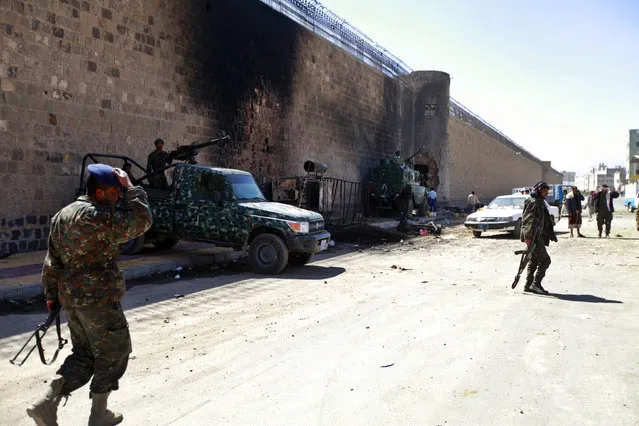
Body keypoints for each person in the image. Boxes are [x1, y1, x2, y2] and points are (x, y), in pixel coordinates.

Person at [27, 164, 152, 426]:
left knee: (84, 355)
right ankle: (99, 415)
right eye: (114, 192)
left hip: (70, 297)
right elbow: (142, 221)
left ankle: (46, 402)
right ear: (99, 193)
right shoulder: (97, 216)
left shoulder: (63, 215)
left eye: (120, 192)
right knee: (114, 352)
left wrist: (51, 295)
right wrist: (132, 189)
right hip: (99, 298)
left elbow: (52, 259)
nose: (118, 196)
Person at [520, 181, 558, 295]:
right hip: (533, 237)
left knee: (534, 260)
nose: (546, 193)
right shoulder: (534, 202)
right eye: (544, 190)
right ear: (538, 190)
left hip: (538, 236)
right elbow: (527, 221)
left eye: (547, 191)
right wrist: (528, 238)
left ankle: (528, 285)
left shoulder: (540, 201)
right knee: (546, 260)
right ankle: (536, 284)